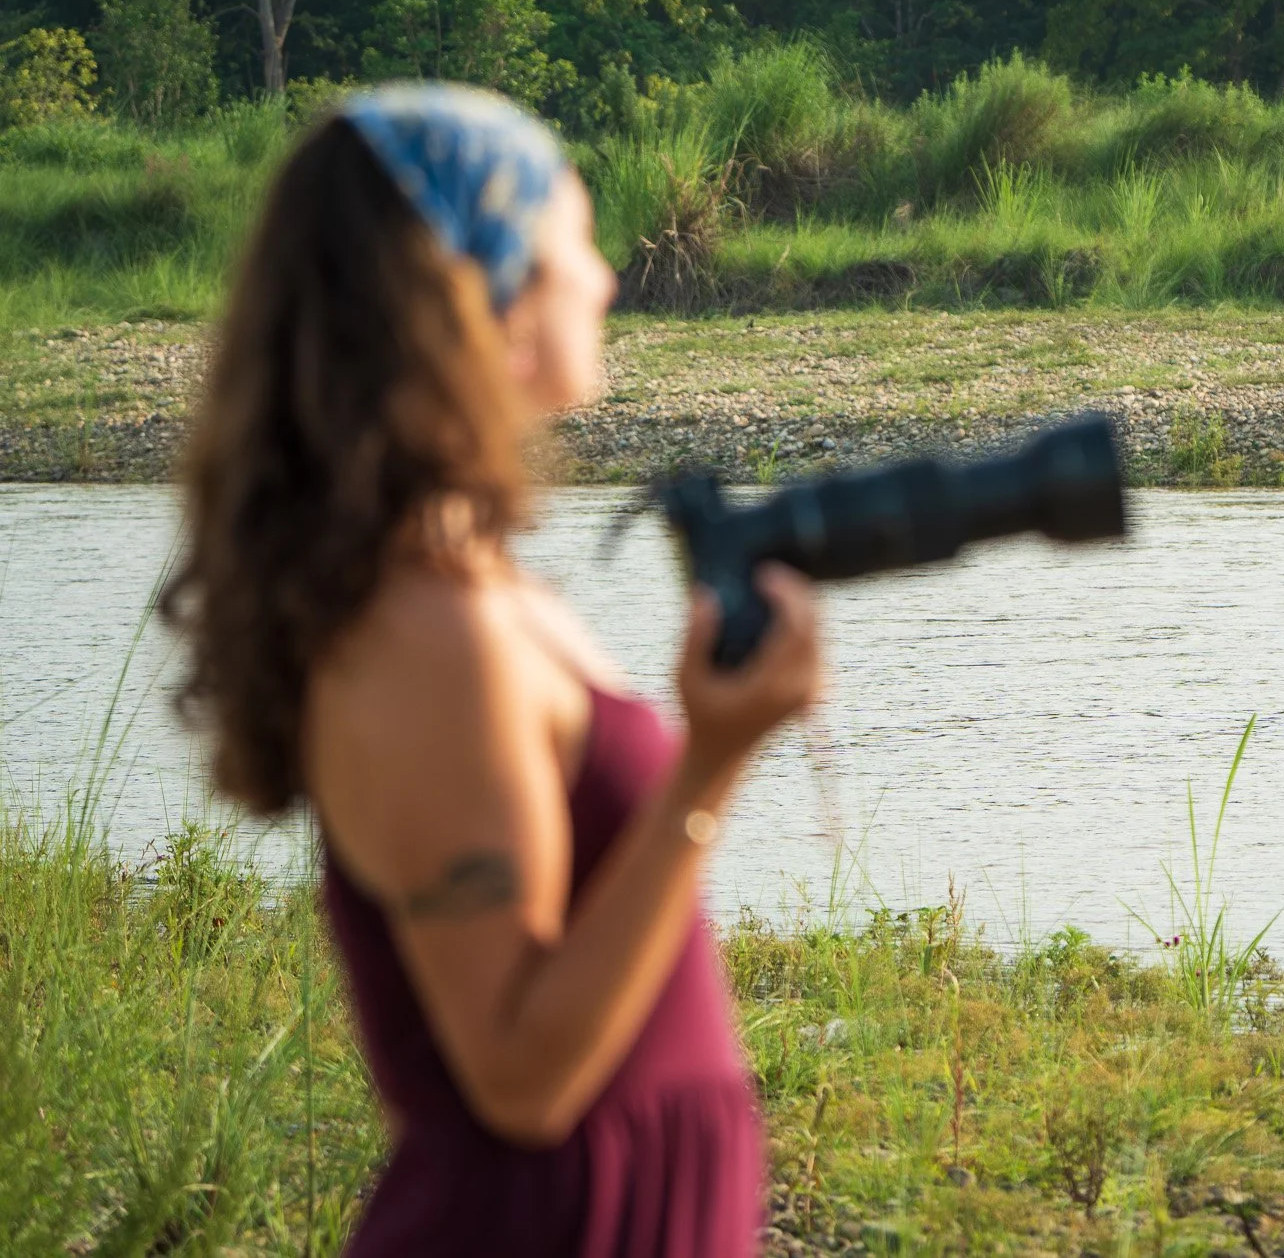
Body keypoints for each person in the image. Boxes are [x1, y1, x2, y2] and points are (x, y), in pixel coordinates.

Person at [161, 82, 822, 1256]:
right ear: (485, 297)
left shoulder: (477, 589)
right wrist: (708, 768)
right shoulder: (428, 635)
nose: (605, 277)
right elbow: (518, 1076)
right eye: (574, 241)